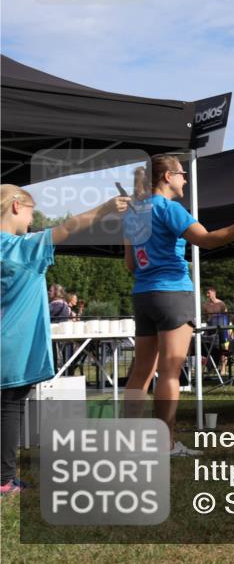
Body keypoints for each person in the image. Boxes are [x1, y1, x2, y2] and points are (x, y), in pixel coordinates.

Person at [122, 156, 234, 457]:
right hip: (172, 293)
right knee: (169, 372)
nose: (185, 180)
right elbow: (207, 240)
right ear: (167, 176)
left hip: (143, 294)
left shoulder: (132, 213)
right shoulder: (170, 209)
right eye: (182, 174)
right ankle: (164, 445)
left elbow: (130, 263)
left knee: (140, 372)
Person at [2, 184, 129, 496]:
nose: (32, 220)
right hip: (14, 345)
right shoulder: (24, 249)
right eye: (31, 211)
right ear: (16, 206)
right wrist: (107, 208)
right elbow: (68, 228)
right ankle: (4, 480)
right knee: (10, 409)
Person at [203, 286, 230, 375]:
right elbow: (206, 318)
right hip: (211, 330)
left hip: (222, 330)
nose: (207, 295)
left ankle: (223, 368)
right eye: (207, 293)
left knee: (223, 349)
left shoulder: (221, 304)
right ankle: (212, 368)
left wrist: (228, 330)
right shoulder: (205, 305)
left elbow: (227, 317)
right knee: (211, 350)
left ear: (214, 293)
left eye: (209, 293)